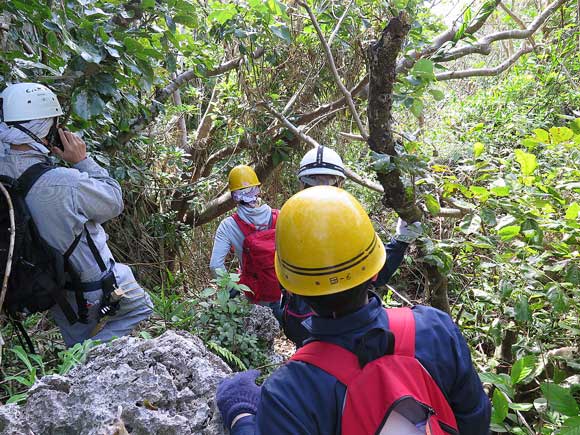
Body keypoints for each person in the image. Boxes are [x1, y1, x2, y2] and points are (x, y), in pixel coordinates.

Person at [216, 186, 491, 435]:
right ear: (374, 272)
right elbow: (475, 423)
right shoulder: (436, 329)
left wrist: (241, 415)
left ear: (292, 288)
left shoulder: (290, 392)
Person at [0, 82, 153, 347]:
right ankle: (86, 366)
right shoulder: (65, 183)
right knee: (141, 308)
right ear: (46, 128)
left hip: (54, 289)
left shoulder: (4, 172)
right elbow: (113, 201)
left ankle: (75, 373)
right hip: (95, 286)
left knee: (78, 343)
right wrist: (82, 160)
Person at [280, 145, 422, 347]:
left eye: (325, 181)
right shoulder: (347, 215)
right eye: (316, 181)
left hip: (305, 326)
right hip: (347, 327)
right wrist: (400, 242)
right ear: (341, 183)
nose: (321, 187)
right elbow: (374, 274)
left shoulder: (290, 218)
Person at [209, 165, 281, 316]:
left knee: (261, 336)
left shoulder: (227, 226)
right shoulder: (281, 217)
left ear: (234, 196)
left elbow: (215, 265)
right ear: (258, 190)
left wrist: (232, 288)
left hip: (254, 296)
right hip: (283, 292)